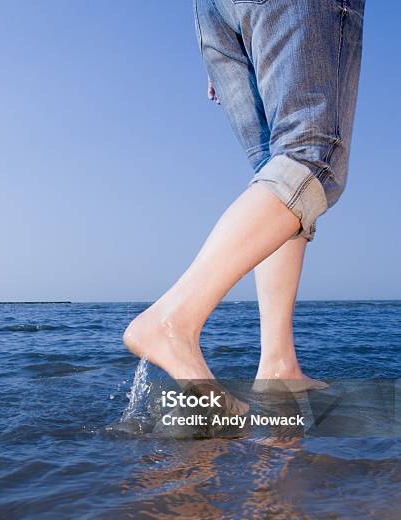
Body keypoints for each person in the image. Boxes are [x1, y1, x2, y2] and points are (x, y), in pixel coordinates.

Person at [124, 0, 365, 390]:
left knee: (280, 172)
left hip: (217, 14)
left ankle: (278, 364)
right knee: (313, 159)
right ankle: (172, 321)